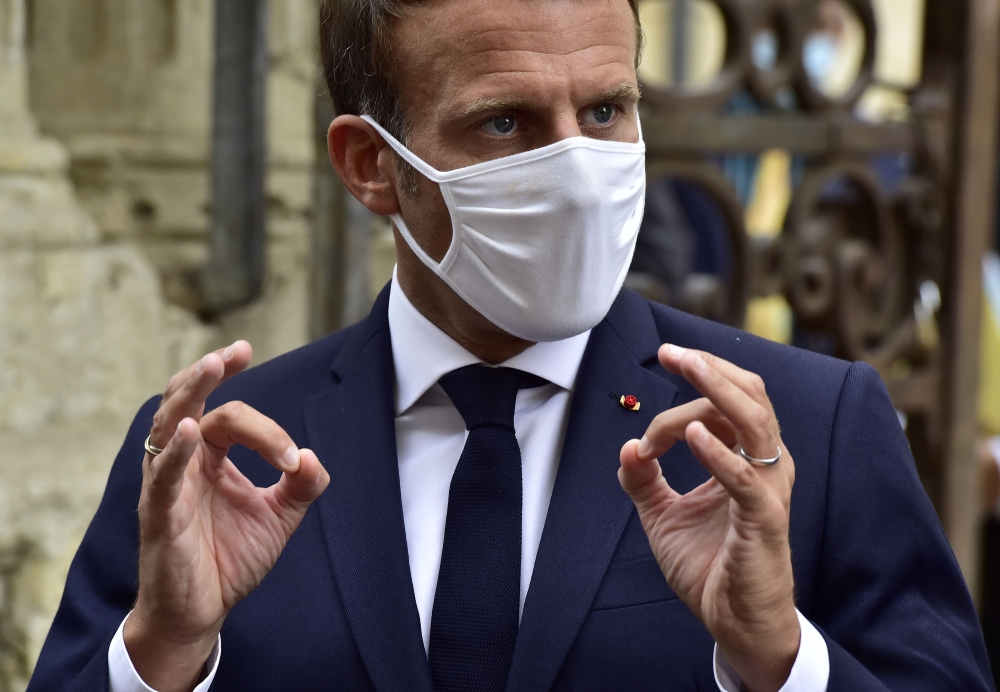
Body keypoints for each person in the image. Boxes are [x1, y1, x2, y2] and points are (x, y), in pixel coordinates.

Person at [28, 0, 993, 690]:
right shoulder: (216, 452)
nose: (577, 168)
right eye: (506, 123)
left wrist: (782, 659)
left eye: (607, 110)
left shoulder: (801, 432)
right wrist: (160, 657)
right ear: (372, 166)